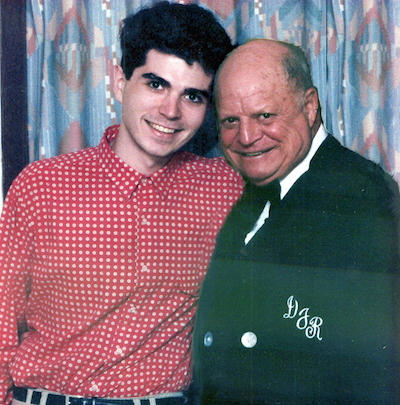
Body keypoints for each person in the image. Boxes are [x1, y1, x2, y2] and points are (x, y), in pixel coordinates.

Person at [0, 3, 244, 405]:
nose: (171, 111)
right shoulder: (42, 187)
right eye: (155, 84)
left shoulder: (224, 190)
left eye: (193, 96)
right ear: (119, 81)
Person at [192, 39, 400, 404]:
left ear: (309, 106)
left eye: (264, 116)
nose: (246, 137)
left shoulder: (360, 199)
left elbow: (374, 376)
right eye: (230, 121)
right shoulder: (257, 193)